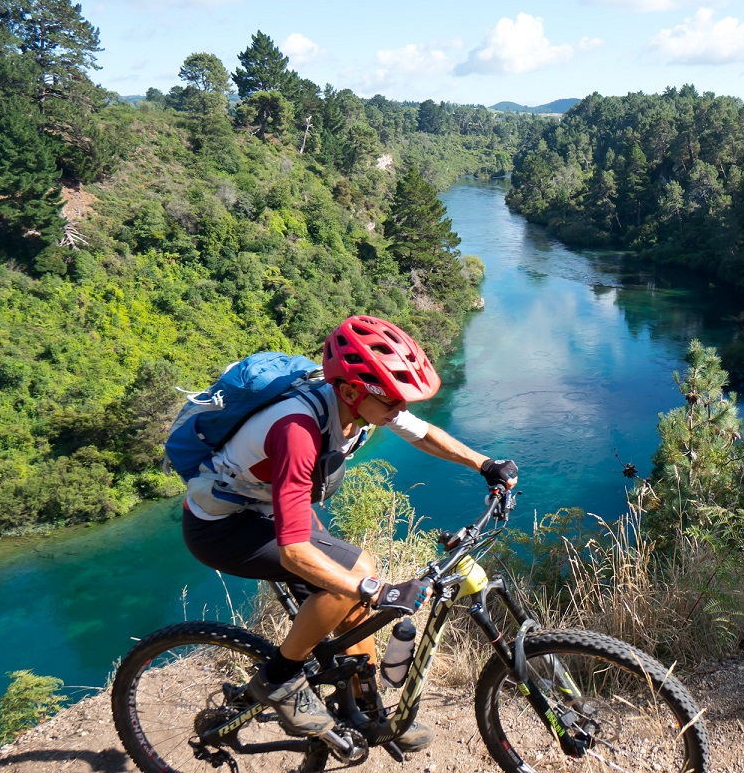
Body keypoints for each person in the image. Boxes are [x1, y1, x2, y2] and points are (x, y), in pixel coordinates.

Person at [180, 314, 518, 750]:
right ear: (352, 391)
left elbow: (423, 435)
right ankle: (278, 679)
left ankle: (367, 713)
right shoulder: (296, 430)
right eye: (393, 402)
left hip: (268, 508)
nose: (400, 411)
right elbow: (294, 553)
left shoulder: (361, 404)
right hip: (223, 526)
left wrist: (484, 464)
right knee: (355, 578)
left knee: (352, 594)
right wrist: (376, 590)